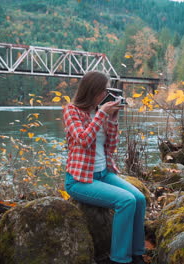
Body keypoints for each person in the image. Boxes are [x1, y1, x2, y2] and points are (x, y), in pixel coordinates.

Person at [63, 71, 146, 264]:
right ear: (92, 91)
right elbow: (83, 139)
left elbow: (111, 146)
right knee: (126, 201)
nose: (106, 94)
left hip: (103, 174)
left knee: (139, 199)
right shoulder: (71, 110)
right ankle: (119, 259)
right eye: (103, 90)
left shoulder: (102, 112)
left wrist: (113, 119)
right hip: (79, 180)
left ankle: (136, 253)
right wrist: (101, 115)